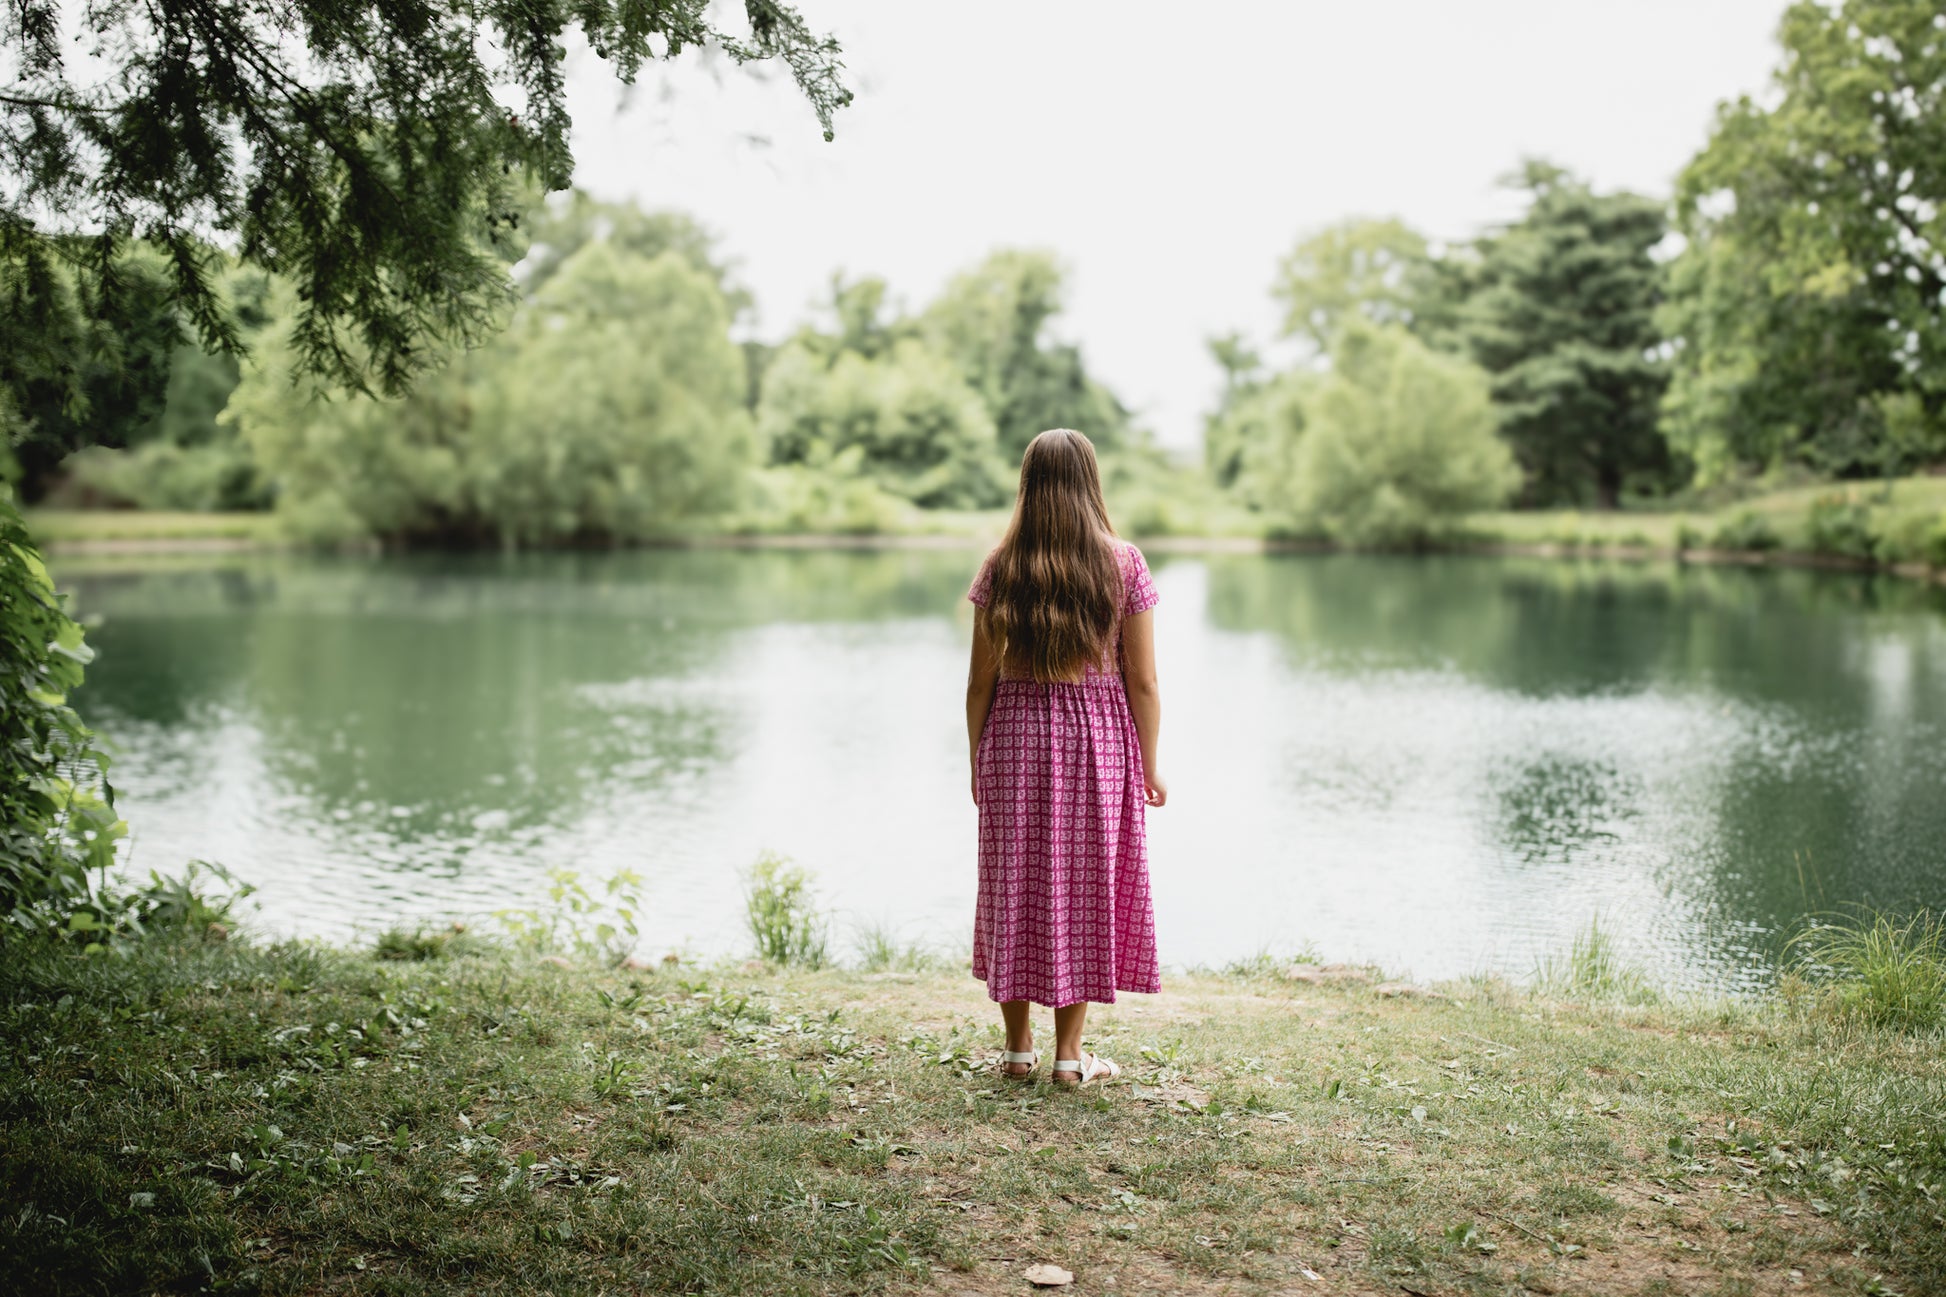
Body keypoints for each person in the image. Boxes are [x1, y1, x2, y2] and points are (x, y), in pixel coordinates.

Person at [964, 427, 1164, 1087]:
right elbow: (1142, 680)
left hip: (1016, 734)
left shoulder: (1001, 565)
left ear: (1029, 484)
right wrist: (1151, 761)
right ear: (1089, 483)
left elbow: (978, 683)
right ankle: (1069, 1057)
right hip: (1098, 741)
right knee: (1086, 884)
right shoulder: (1124, 562)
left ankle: (1018, 1050)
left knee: (1014, 883)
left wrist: (976, 760)